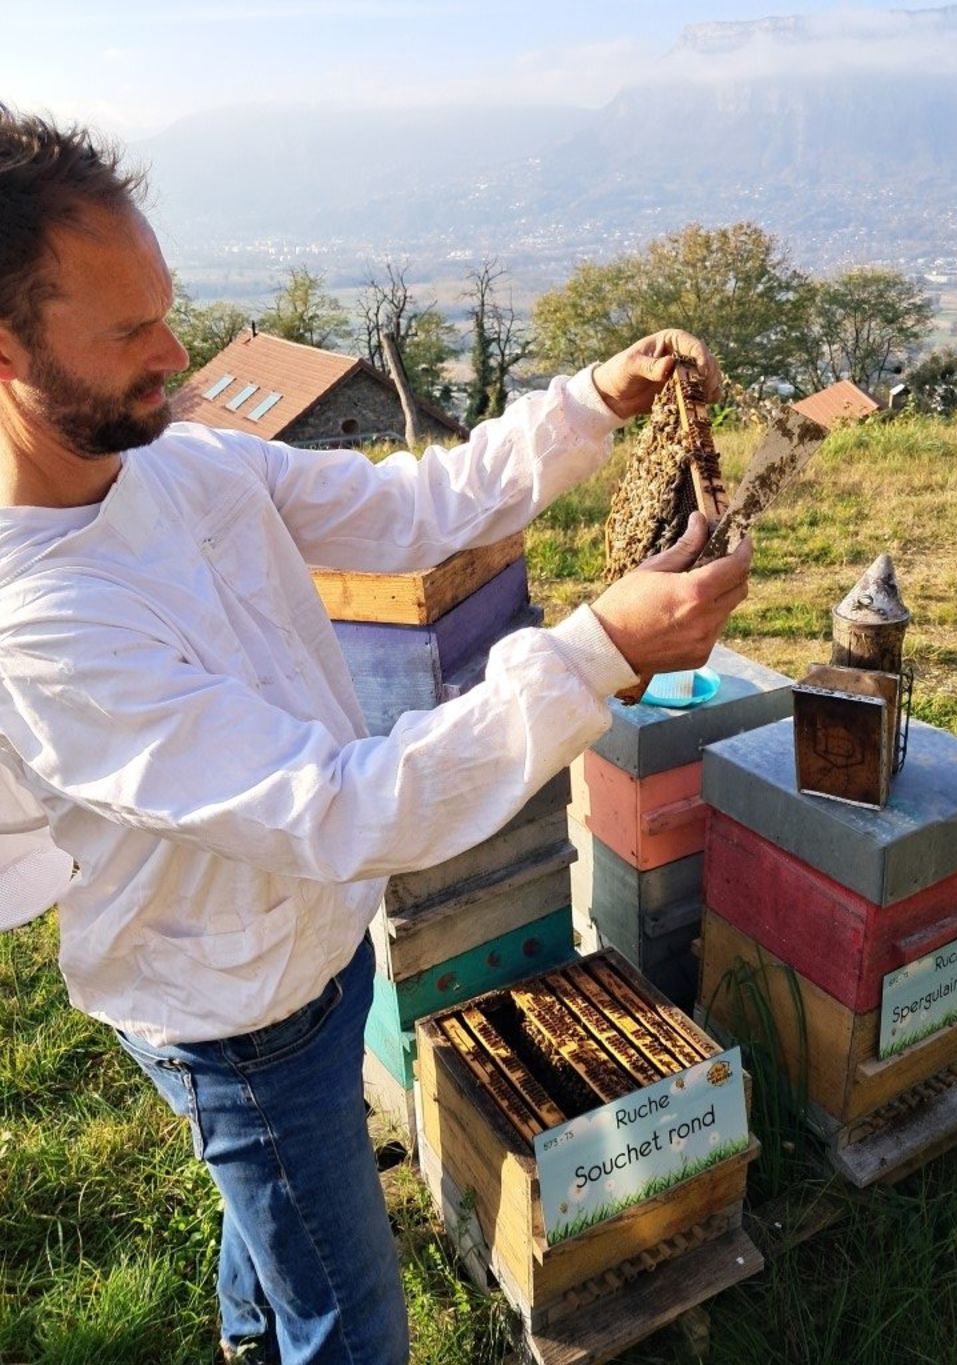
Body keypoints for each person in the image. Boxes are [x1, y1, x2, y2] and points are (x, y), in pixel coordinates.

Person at [0, 108, 752, 1365]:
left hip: (312, 940)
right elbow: (339, 806)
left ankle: (251, 1332)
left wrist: (590, 402)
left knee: (280, 1215)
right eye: (129, 331)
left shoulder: (183, 460)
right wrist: (602, 650)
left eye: (165, 309)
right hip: (236, 1011)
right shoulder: (43, 627)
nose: (173, 352)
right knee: (352, 1327)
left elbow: (416, 509)